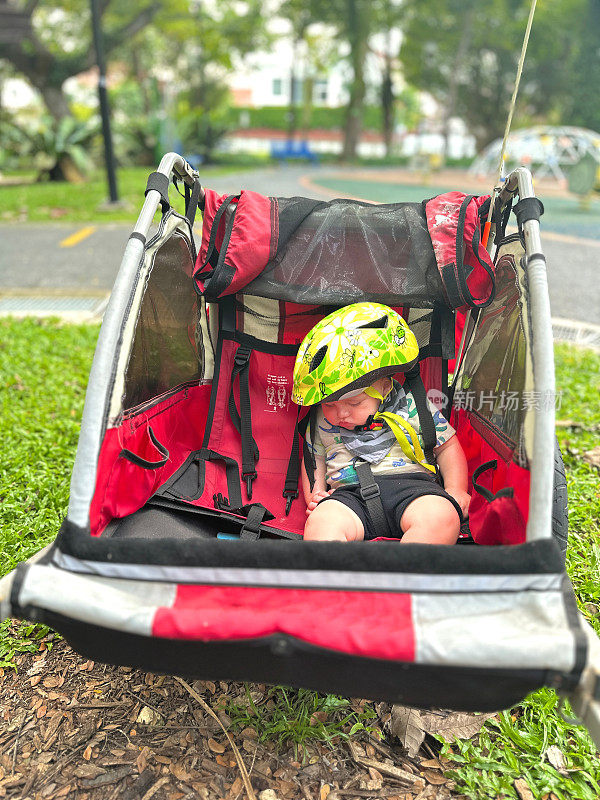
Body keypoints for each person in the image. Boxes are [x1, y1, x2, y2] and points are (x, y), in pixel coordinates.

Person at [291, 302, 470, 543]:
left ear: (386, 387)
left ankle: (404, 573)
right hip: (349, 497)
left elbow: (447, 446)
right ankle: (339, 575)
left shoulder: (413, 405)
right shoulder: (321, 420)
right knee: (321, 524)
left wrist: (456, 489)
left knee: (442, 517)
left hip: (414, 490)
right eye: (330, 404)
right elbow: (314, 460)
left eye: (354, 403)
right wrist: (316, 495)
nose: (340, 413)